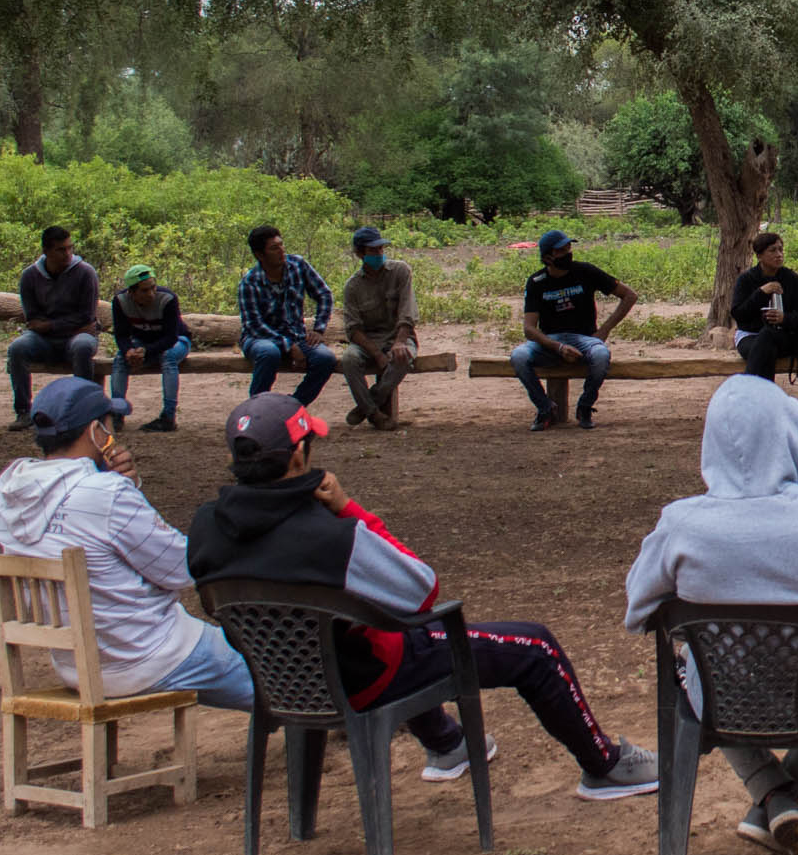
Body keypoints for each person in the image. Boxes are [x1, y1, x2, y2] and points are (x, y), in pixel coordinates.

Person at [186, 393, 659, 795]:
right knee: (530, 647)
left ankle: (447, 744)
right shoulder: (330, 536)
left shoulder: (205, 526)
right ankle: (605, 766)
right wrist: (349, 509)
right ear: (297, 456)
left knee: (380, 633)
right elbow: (419, 589)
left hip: (282, 682)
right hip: (364, 681)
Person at [625, 377, 798, 855]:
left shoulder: (680, 523)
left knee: (702, 670)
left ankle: (772, 798)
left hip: (714, 698)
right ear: (790, 435)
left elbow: (638, 612)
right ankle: (782, 799)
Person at [0, 377, 253, 711]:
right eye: (110, 425)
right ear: (96, 432)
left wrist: (126, 486)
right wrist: (123, 490)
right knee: (277, 671)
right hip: (146, 655)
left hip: (75, 665)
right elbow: (182, 569)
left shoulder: (10, 490)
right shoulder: (105, 494)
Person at [510, 229, 637, 431]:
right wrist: (558, 347)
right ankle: (545, 408)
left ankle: (585, 407)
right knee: (518, 356)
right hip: (550, 342)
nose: (568, 253)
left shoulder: (586, 272)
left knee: (601, 354)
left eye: (569, 247)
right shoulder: (536, 282)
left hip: (584, 340)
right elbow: (529, 329)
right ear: (547, 257)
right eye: (561, 250)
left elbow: (630, 295)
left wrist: (604, 331)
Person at [7, 226, 102, 431]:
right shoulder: (30, 276)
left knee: (83, 345)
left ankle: (81, 411)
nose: (67, 254)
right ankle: (23, 412)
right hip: (45, 340)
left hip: (78, 336)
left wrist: (50, 325)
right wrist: (65, 325)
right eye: (61, 250)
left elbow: (87, 316)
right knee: (17, 348)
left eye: (70, 248)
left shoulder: (85, 273)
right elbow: (32, 319)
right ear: (46, 251)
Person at [235, 224, 336, 405]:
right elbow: (254, 325)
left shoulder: (298, 265)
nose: (281, 250)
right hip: (259, 338)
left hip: (296, 334)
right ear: (260, 255)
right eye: (274, 248)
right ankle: (257, 407)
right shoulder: (250, 282)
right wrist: (288, 345)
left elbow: (324, 294)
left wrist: (319, 329)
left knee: (325, 359)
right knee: (269, 353)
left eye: (281, 245)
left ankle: (293, 407)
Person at [337, 226, 417, 431]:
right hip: (368, 340)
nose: (379, 254)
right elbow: (353, 329)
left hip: (398, 335)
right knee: (349, 359)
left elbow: (408, 313)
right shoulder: (352, 287)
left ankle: (367, 405)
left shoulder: (400, 271)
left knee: (404, 356)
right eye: (373, 251)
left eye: (381, 249)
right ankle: (374, 414)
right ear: (360, 254)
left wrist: (399, 342)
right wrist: (376, 353)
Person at [731, 232, 798, 380]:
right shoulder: (746, 279)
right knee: (766, 343)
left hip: (784, 336)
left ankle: (751, 393)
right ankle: (765, 395)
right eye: (772, 250)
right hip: (750, 337)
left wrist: (784, 318)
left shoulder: (791, 279)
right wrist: (761, 293)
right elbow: (739, 314)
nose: (779, 254)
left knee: (768, 338)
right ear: (759, 256)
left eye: (781, 249)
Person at [109, 265, 191, 433]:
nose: (151, 294)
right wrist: (128, 351)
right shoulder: (120, 302)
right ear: (132, 292)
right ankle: (117, 413)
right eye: (144, 291)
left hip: (177, 341)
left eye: (153, 287)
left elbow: (171, 338)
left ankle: (168, 417)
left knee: (168, 358)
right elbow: (121, 335)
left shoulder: (167, 299)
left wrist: (146, 351)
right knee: (120, 359)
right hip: (142, 341)